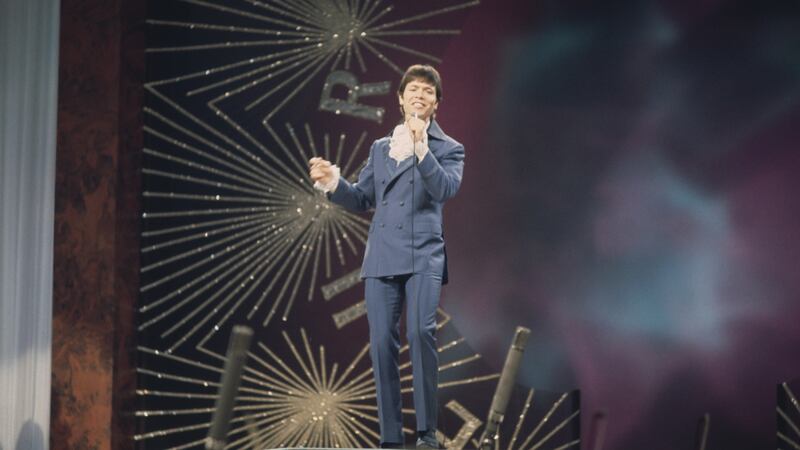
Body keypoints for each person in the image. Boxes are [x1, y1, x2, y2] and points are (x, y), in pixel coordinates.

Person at [309, 64, 464, 449]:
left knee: (420, 332)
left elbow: (444, 189)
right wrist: (332, 182)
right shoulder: (381, 148)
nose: (419, 95)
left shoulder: (450, 149)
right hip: (382, 257)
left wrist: (421, 147)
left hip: (423, 255)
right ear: (399, 98)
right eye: (413, 89)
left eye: (428, 91)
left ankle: (427, 435)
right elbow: (363, 197)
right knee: (381, 344)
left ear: (436, 104)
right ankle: (391, 439)